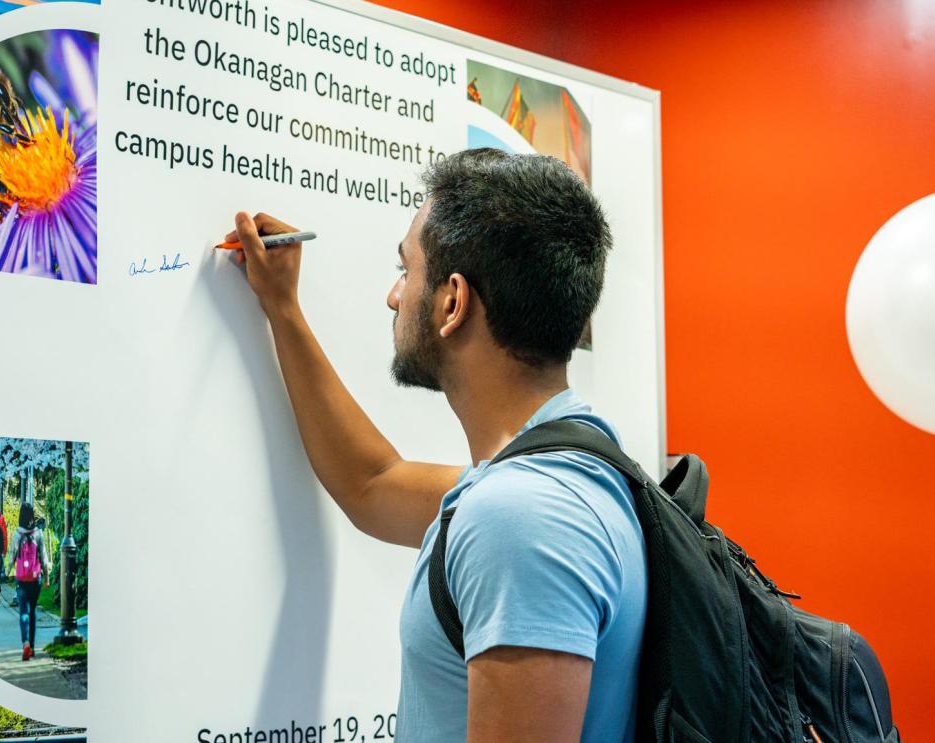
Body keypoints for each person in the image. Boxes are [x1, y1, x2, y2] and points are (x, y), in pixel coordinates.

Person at [225, 149, 644, 743]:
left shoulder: (520, 519)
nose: (395, 296)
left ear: (452, 301)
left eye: (407, 270)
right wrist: (283, 309)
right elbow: (374, 484)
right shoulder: (573, 467)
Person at [7, 502, 51, 661]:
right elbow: (44, 558)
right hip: (35, 577)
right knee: (32, 612)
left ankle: (25, 641)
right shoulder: (38, 533)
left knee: (23, 612)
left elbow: (11, 555)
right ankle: (31, 647)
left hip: (21, 578)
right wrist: (46, 577)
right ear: (32, 516)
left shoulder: (17, 534)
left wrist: (7, 571)